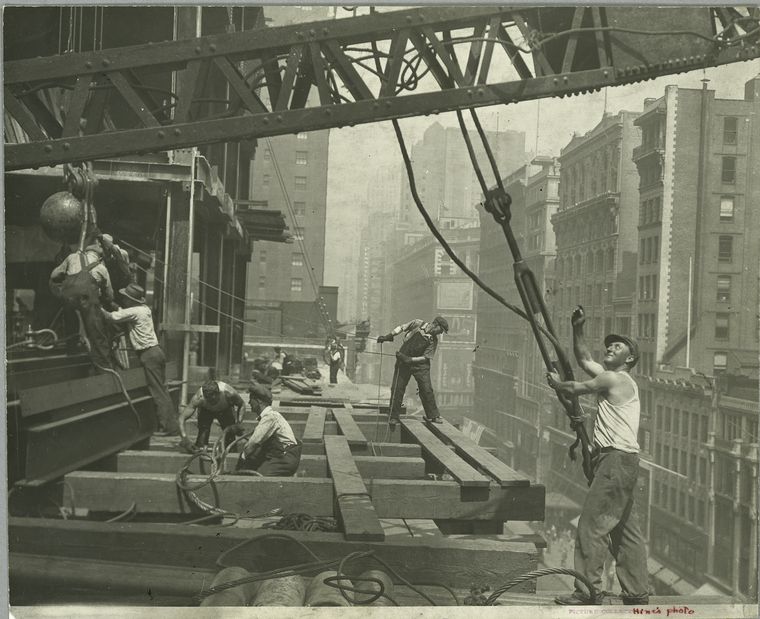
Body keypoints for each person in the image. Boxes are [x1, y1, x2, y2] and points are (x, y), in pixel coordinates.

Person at [546, 305, 649, 606]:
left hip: (615, 462)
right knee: (625, 530)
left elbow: (577, 387)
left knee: (591, 525)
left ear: (629, 358)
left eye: (617, 346)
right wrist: (578, 327)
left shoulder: (615, 380)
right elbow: (583, 359)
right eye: (609, 344)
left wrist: (556, 382)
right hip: (623, 463)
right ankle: (637, 592)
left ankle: (588, 591)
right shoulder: (615, 378)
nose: (610, 347)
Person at [101, 283, 180, 435]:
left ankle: (168, 427)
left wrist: (96, 305)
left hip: (148, 354)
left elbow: (110, 317)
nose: (124, 301)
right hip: (156, 352)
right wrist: (113, 304)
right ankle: (172, 426)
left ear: (131, 300)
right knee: (162, 390)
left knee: (157, 392)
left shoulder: (135, 311)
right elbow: (124, 312)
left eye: (125, 299)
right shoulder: (144, 309)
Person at [50, 242, 117, 368]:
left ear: (86, 252)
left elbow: (54, 275)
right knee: (97, 332)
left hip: (69, 298)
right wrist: (106, 300)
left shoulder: (72, 257)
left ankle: (71, 353)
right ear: (99, 256)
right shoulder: (101, 267)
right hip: (88, 300)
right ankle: (103, 366)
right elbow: (110, 294)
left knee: (71, 324)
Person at [377, 315, 448, 428]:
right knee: (398, 387)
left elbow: (426, 357)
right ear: (435, 325)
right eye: (441, 330)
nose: (441, 333)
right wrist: (389, 336)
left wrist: (410, 360)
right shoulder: (418, 323)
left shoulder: (432, 340)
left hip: (420, 365)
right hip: (404, 358)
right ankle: (394, 417)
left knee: (426, 389)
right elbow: (401, 328)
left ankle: (433, 415)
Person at [236, 383, 301, 476]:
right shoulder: (269, 417)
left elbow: (252, 444)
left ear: (259, 401)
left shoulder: (270, 417)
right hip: (282, 456)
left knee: (259, 479)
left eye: (251, 399)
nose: (249, 402)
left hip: (285, 458)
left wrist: (241, 463)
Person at [178, 372, 246, 453]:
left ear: (218, 393)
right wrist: (184, 438)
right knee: (202, 438)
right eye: (208, 400)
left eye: (214, 400)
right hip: (206, 411)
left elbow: (241, 405)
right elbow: (181, 419)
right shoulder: (198, 398)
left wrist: (238, 423)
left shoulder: (229, 393)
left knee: (230, 438)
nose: (212, 402)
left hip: (225, 410)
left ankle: (229, 455)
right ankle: (201, 451)